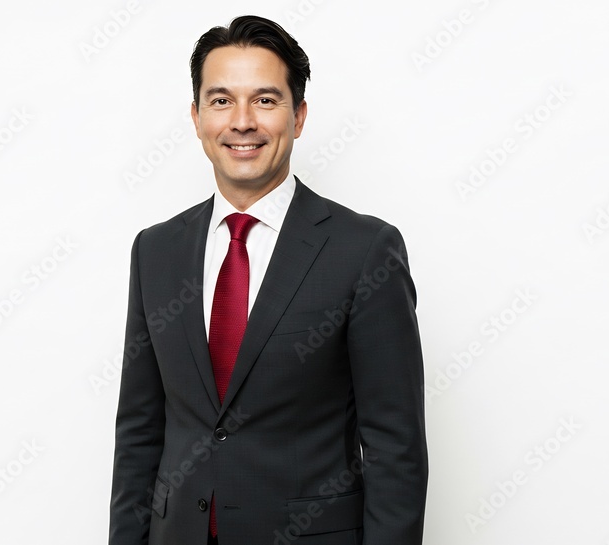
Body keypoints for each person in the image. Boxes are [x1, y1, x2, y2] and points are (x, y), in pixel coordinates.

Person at [109, 15, 428, 545]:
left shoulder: (364, 250)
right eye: (220, 100)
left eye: (265, 100)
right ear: (196, 117)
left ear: (298, 116)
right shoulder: (155, 251)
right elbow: (139, 434)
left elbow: (396, 447)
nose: (242, 122)